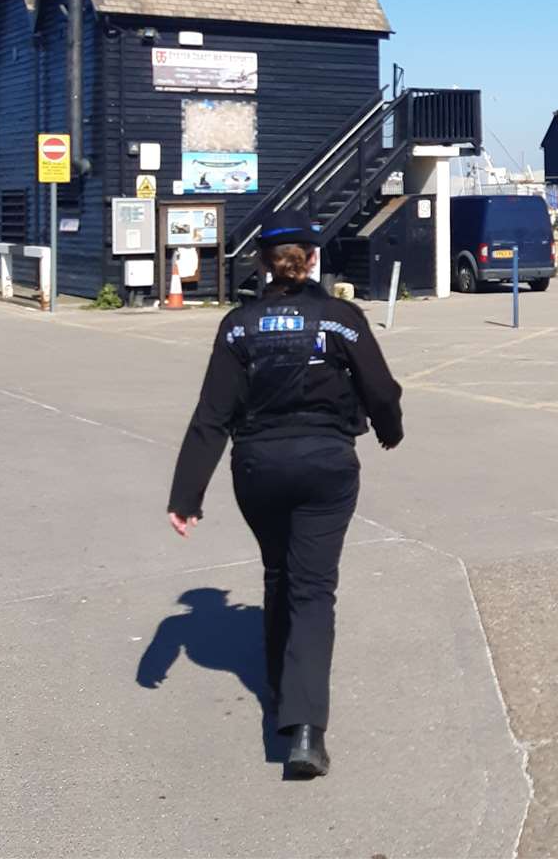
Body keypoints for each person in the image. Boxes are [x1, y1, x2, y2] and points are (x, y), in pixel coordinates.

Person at [167, 210, 404, 777]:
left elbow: (211, 416)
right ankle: (304, 731)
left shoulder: (237, 326)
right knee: (313, 590)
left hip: (259, 469)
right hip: (326, 466)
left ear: (262, 263)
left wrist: (186, 495)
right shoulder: (341, 318)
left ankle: (278, 688)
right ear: (313, 258)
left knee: (279, 574)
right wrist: (389, 430)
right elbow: (380, 388)